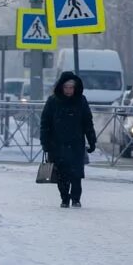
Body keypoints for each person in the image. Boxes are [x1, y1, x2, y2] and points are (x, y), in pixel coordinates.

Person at [39, 70, 97, 209]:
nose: (69, 90)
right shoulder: (53, 101)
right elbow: (45, 123)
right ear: (61, 87)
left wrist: (92, 140)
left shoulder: (81, 101)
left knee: (76, 173)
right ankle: (64, 198)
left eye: (71, 87)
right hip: (57, 143)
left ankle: (76, 198)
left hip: (76, 143)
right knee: (61, 173)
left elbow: (87, 122)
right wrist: (45, 143)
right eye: (66, 87)